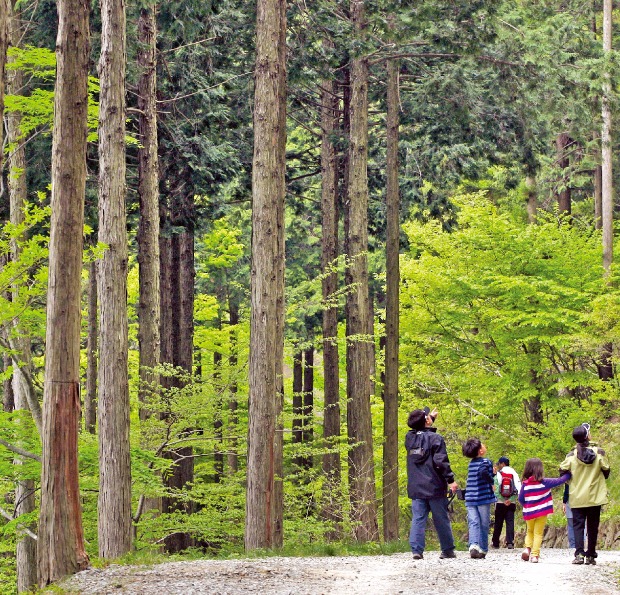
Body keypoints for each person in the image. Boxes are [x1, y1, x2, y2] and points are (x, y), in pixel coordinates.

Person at [405, 407, 458, 560]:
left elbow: (420, 433)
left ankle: (416, 550)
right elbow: (441, 461)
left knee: (418, 518)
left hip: (416, 487)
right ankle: (447, 550)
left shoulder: (409, 438)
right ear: (426, 421)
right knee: (441, 518)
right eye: (427, 416)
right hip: (434, 486)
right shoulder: (436, 439)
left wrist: (429, 420)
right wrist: (451, 480)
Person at [559, 422, 610, 565]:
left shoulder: (571, 455)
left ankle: (579, 554)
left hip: (577, 496)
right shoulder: (599, 452)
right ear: (587, 435)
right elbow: (606, 470)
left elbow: (562, 470)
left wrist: (571, 479)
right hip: (595, 496)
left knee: (578, 526)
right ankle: (591, 555)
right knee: (593, 526)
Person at [518, 457, 570, 563]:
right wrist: (569, 474)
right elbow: (560, 480)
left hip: (529, 513)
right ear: (540, 469)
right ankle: (535, 556)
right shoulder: (546, 482)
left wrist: (527, 506)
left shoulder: (525, 484)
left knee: (529, 531)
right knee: (538, 533)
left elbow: (520, 498)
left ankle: (527, 549)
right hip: (541, 513)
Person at [462, 438, 496, 559]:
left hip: (470, 498)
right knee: (484, 523)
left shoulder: (471, 463)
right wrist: (492, 480)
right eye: (483, 445)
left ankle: (473, 545)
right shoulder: (485, 462)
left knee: (473, 522)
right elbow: (483, 473)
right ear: (481, 451)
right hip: (482, 497)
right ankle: (483, 549)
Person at [491, 456, 521, 549]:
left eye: (499, 464)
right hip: (511, 503)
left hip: (500, 503)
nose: (499, 466)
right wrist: (510, 500)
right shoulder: (514, 473)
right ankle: (510, 543)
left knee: (498, 522)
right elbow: (518, 489)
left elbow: (495, 490)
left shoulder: (499, 474)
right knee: (510, 522)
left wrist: (503, 500)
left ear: (502, 464)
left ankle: (495, 543)